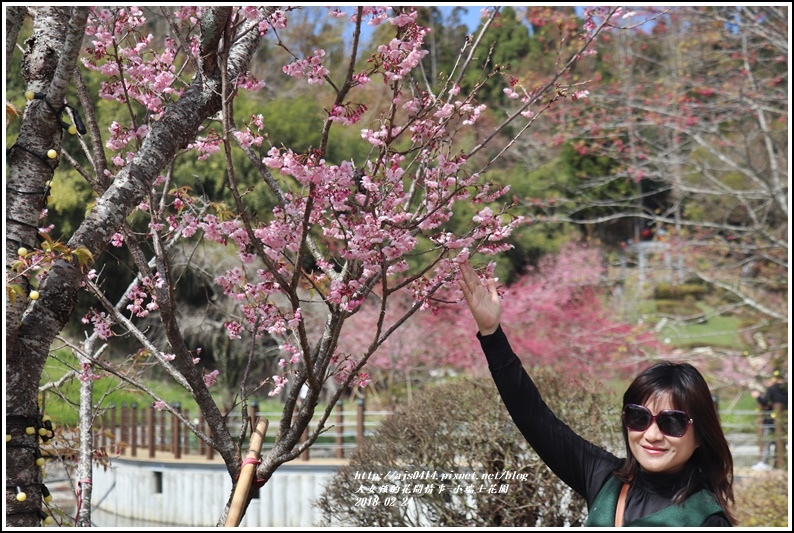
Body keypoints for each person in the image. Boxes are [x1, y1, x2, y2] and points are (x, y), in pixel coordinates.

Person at [458, 259, 736, 526]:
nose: (652, 435)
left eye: (671, 423)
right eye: (639, 418)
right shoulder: (604, 479)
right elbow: (533, 417)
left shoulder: (706, 519)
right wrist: (492, 334)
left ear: (700, 435)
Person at [750, 370, 788, 470]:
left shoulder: (772, 389)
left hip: (772, 420)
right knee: (780, 442)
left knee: (766, 440)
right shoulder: (787, 388)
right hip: (785, 420)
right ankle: (779, 464)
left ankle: (764, 462)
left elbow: (765, 401)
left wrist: (757, 396)